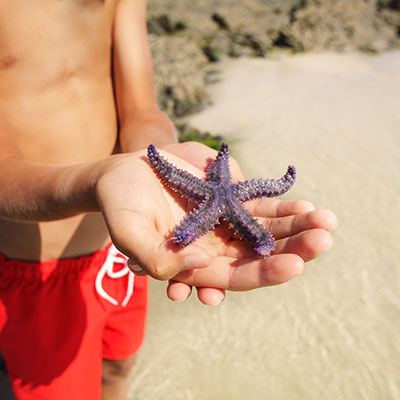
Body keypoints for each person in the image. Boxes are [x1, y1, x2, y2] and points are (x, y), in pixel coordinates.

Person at [0, 0, 337, 399]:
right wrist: (98, 180)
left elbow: (140, 107)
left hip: (128, 249)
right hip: (39, 273)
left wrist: (160, 155)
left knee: (118, 367)